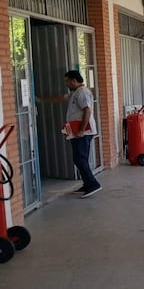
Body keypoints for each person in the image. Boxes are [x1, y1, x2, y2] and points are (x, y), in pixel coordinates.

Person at [62, 70, 101, 198]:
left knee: (80, 159)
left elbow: (87, 111)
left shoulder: (82, 93)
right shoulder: (75, 93)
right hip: (77, 131)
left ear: (74, 81)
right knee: (79, 158)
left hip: (83, 132)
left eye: (68, 81)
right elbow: (60, 98)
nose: (67, 84)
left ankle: (92, 184)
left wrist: (81, 130)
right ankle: (87, 183)